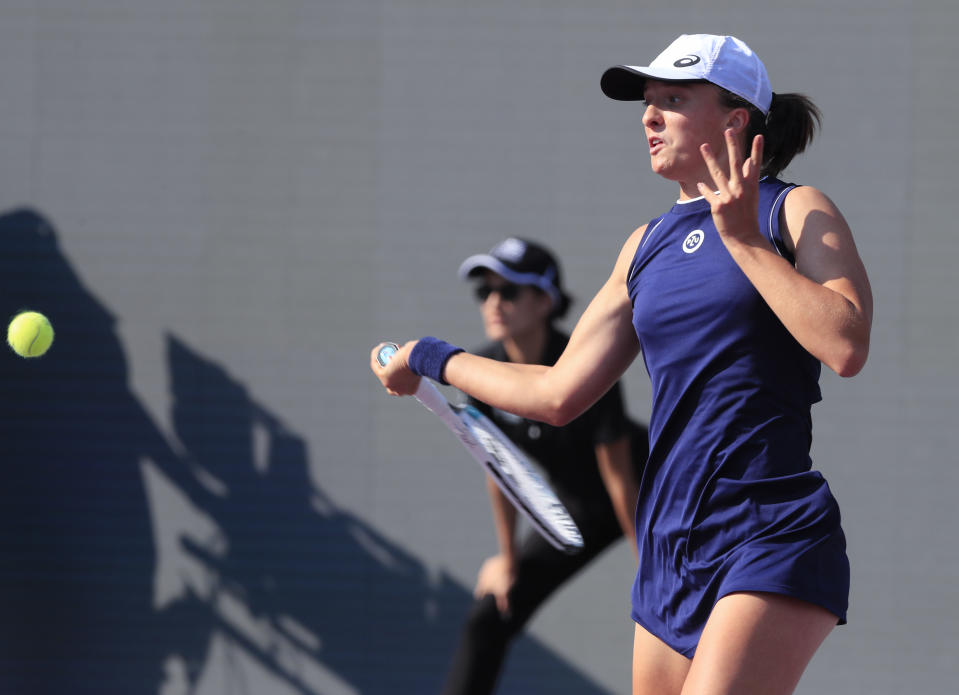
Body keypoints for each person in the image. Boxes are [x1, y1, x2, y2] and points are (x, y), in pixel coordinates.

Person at [373, 33, 872, 695]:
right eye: (647, 101)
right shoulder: (644, 247)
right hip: (668, 546)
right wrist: (432, 357)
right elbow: (556, 392)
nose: (648, 116)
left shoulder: (795, 209)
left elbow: (845, 345)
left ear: (734, 119)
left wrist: (746, 241)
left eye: (672, 98)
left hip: (768, 529)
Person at [440, 237, 648, 695]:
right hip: (576, 504)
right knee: (490, 616)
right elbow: (500, 471)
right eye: (486, 292)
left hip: (650, 492)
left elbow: (620, 480)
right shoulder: (483, 373)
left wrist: (649, 565)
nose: (494, 303)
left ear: (544, 301)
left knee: (675, 609)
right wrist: (509, 560)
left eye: (509, 292)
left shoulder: (584, 364)